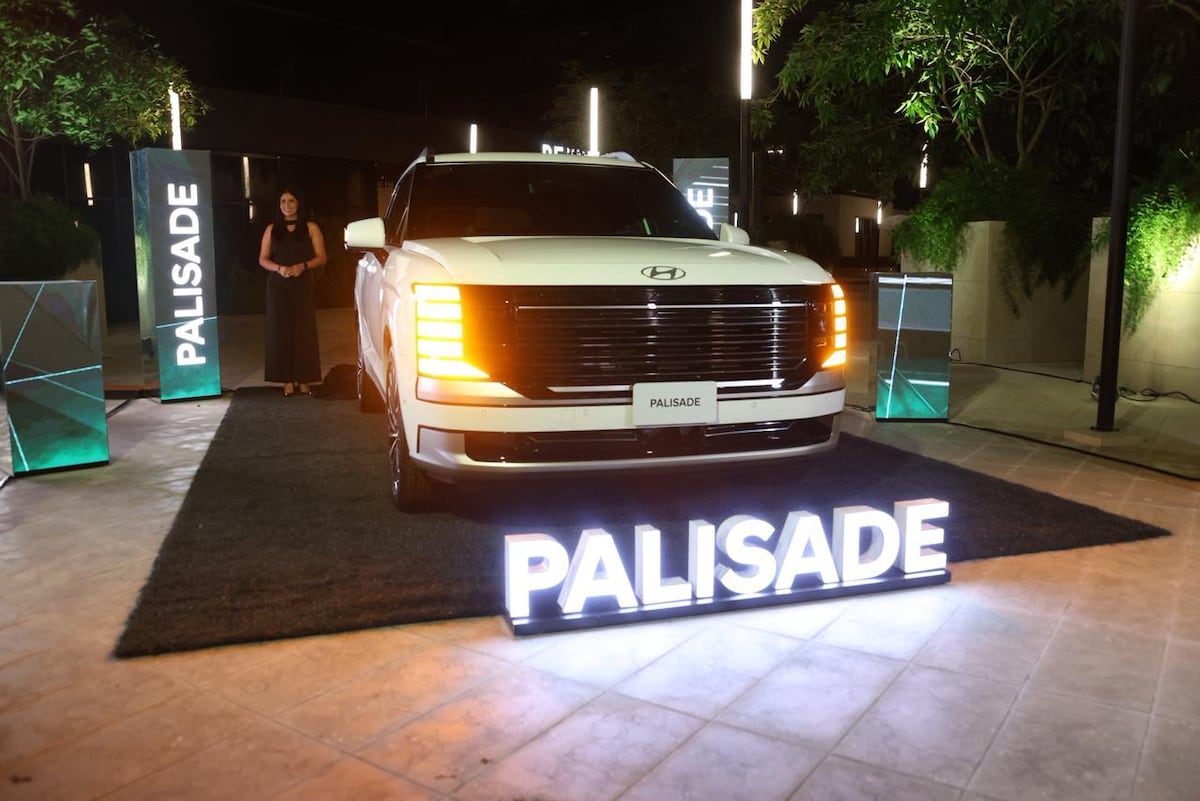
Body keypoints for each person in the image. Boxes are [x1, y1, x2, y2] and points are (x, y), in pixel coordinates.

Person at [259, 188, 327, 396]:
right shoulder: (272, 229)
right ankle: (287, 380)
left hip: (302, 283)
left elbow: (322, 257)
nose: (286, 205)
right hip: (278, 286)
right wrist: (279, 268)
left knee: (303, 330)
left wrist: (303, 266)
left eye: (291, 201)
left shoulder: (310, 227)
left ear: (298, 203)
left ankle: (304, 378)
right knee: (280, 331)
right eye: (283, 201)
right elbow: (262, 259)